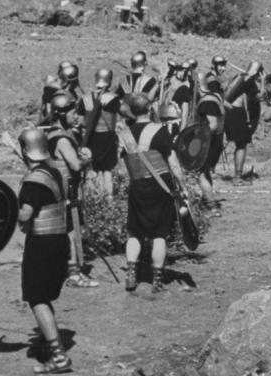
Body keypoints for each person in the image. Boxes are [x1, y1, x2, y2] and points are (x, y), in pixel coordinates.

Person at [17, 127, 72, 374]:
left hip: (42, 242)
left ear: (25, 150)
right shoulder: (55, 172)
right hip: (59, 240)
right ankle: (50, 343)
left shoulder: (34, 180)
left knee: (36, 298)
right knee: (44, 296)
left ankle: (58, 356)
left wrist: (6, 212)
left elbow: (26, 213)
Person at [119, 94, 186, 294]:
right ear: (150, 109)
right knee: (159, 234)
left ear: (132, 110)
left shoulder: (125, 133)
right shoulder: (161, 131)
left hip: (137, 185)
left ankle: (131, 274)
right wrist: (182, 185)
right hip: (160, 186)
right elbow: (173, 163)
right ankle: (157, 280)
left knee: (135, 231)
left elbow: (123, 166)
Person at [45, 93, 97, 288]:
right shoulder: (62, 139)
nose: (76, 116)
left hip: (61, 188)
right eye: (72, 112)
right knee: (71, 230)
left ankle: (65, 268)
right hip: (67, 190)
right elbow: (75, 166)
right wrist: (87, 158)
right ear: (61, 114)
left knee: (68, 229)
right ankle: (73, 273)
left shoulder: (54, 134)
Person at [78, 68, 120, 199]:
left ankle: (93, 197)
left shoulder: (84, 99)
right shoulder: (113, 99)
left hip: (91, 137)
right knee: (107, 169)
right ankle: (108, 198)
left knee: (92, 168)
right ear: (110, 80)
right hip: (107, 137)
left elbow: (81, 122)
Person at [224, 61, 263, 182]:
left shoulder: (239, 77)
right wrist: (263, 80)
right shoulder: (249, 80)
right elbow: (260, 96)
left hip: (230, 112)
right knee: (241, 145)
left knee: (237, 144)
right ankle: (238, 176)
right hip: (237, 112)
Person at [195, 73, 226, 210]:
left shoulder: (207, 101)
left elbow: (212, 124)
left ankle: (210, 204)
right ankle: (206, 198)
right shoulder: (215, 97)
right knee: (205, 171)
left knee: (200, 172)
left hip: (209, 142)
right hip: (215, 141)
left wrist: (198, 138)